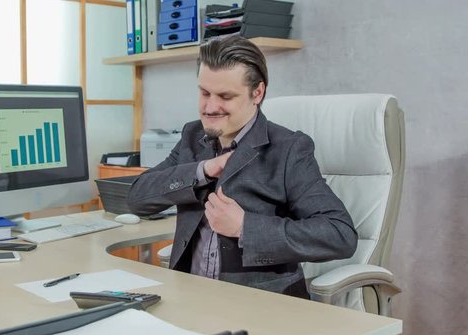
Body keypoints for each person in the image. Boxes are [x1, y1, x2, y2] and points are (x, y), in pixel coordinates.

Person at [126, 35, 357, 299]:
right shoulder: (192, 137)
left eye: (225, 96)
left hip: (262, 306)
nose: (210, 107)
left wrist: (244, 227)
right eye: (204, 93)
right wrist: (201, 170)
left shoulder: (289, 148)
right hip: (191, 299)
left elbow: (339, 234)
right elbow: (136, 199)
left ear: (257, 92)